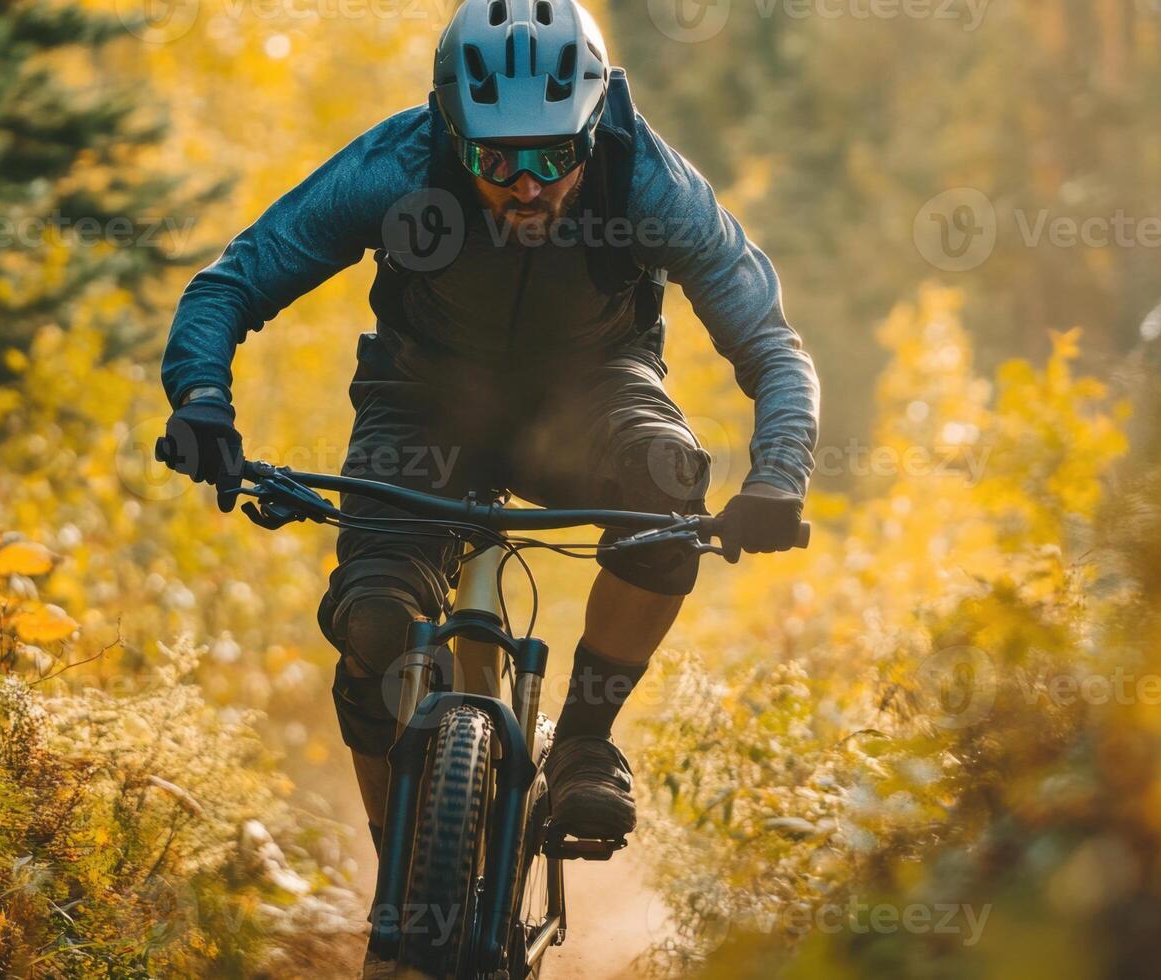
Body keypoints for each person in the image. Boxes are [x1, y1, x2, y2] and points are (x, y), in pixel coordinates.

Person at [158, 0, 818, 849]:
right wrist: (203, 401)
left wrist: (777, 478)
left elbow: (769, 342)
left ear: (590, 130)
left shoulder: (646, 179)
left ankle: (584, 743)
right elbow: (230, 284)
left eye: (555, 154)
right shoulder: (396, 163)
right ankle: (397, 875)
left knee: (666, 479)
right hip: (424, 400)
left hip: (590, 395)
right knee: (376, 628)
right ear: (449, 128)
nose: (527, 185)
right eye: (494, 159)